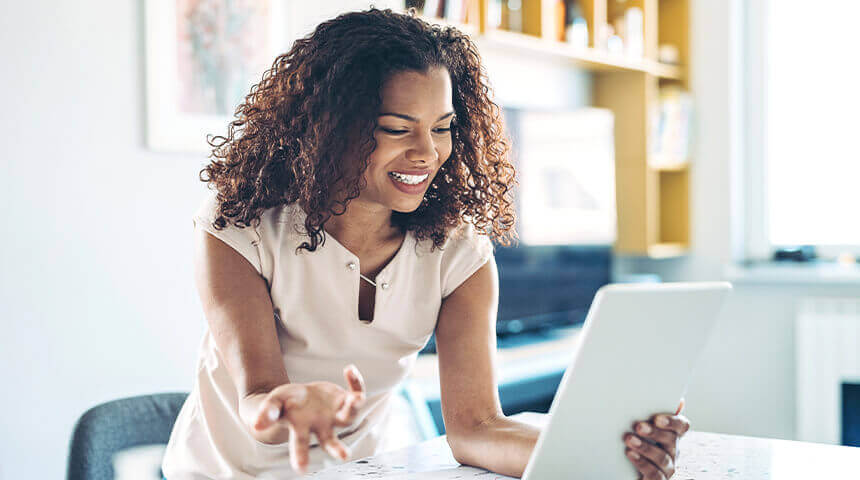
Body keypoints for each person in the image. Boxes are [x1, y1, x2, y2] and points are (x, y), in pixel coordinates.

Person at [161, 8, 690, 480]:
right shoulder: (241, 226)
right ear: (328, 128)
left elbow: (478, 429)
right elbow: (257, 399)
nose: (427, 152)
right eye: (397, 128)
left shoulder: (457, 253)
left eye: (443, 127)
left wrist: (607, 454)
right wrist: (288, 404)